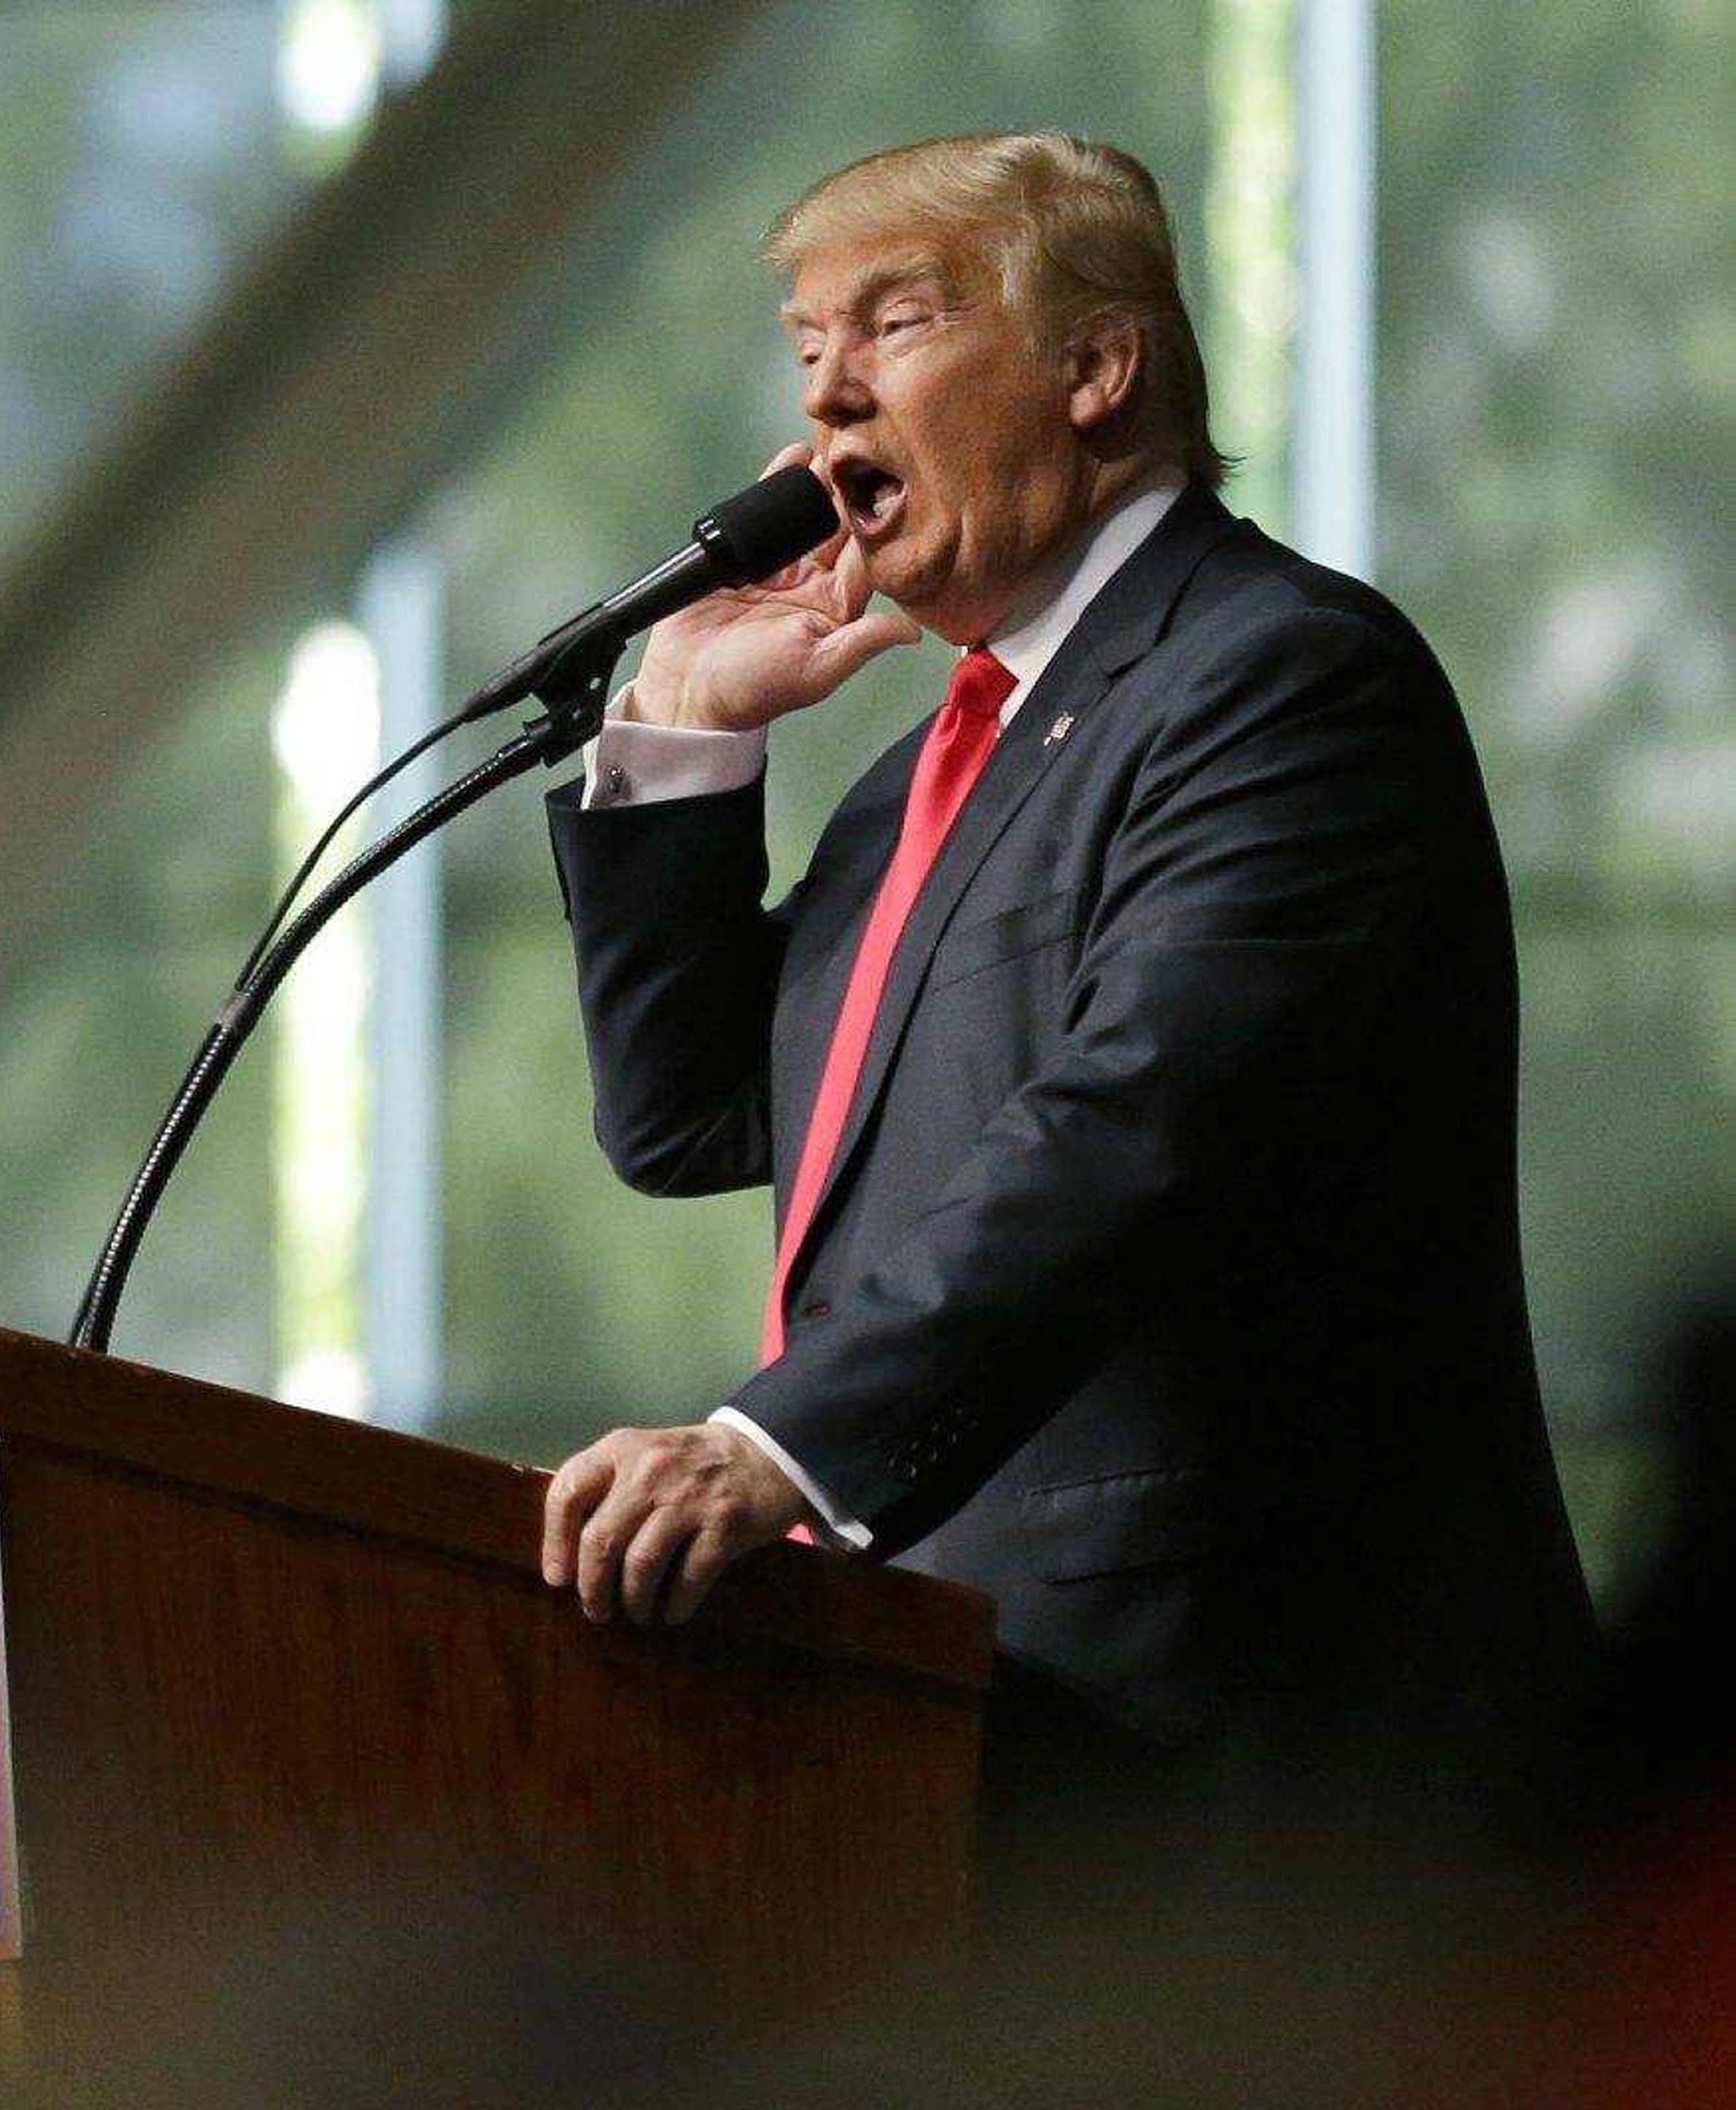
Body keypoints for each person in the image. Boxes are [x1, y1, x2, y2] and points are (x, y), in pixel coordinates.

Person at [534, 133, 1593, 1859]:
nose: (830, 408)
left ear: (1098, 370)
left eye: (895, 325)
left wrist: (775, 1447)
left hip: (1265, 1769)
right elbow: (693, 1113)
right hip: (976, 1737)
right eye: (809, 354)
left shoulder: (1277, 679)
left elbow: (1136, 1125)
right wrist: (691, 737)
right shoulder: (926, 777)